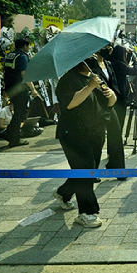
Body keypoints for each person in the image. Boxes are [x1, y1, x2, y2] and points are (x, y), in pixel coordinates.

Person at [53, 61, 117, 228]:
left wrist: (111, 96)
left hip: (95, 131)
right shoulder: (67, 80)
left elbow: (108, 103)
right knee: (85, 170)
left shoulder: (96, 77)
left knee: (89, 169)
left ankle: (63, 193)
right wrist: (89, 87)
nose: (89, 60)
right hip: (74, 134)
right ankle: (86, 212)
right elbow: (68, 104)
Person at [86, 47, 125, 172]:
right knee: (97, 139)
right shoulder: (89, 65)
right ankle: (93, 170)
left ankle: (117, 167)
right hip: (96, 105)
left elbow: (113, 83)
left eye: (109, 46)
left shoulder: (108, 63)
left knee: (116, 136)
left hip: (111, 103)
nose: (109, 49)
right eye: (105, 46)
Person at [3, 38, 39, 147]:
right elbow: (24, 74)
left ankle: (9, 133)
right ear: (24, 46)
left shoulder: (10, 55)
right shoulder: (23, 57)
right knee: (20, 113)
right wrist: (33, 89)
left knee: (17, 112)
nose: (29, 48)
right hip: (19, 88)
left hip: (10, 88)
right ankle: (14, 139)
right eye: (28, 45)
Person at [108, 44, 137, 131]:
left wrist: (129, 55)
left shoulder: (111, 62)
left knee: (115, 118)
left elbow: (124, 65)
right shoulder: (119, 64)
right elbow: (133, 71)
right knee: (120, 118)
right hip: (121, 94)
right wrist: (136, 62)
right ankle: (118, 138)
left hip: (115, 92)